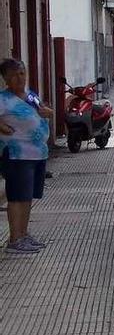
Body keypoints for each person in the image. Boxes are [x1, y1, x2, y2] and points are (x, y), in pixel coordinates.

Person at [0, 59, 52, 254]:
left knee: (27, 196)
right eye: (14, 74)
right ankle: (14, 239)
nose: (20, 78)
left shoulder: (30, 95)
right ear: (6, 78)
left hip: (37, 154)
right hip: (16, 155)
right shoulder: (3, 99)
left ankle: (23, 234)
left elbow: (42, 112)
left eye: (22, 73)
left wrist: (48, 113)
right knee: (16, 197)